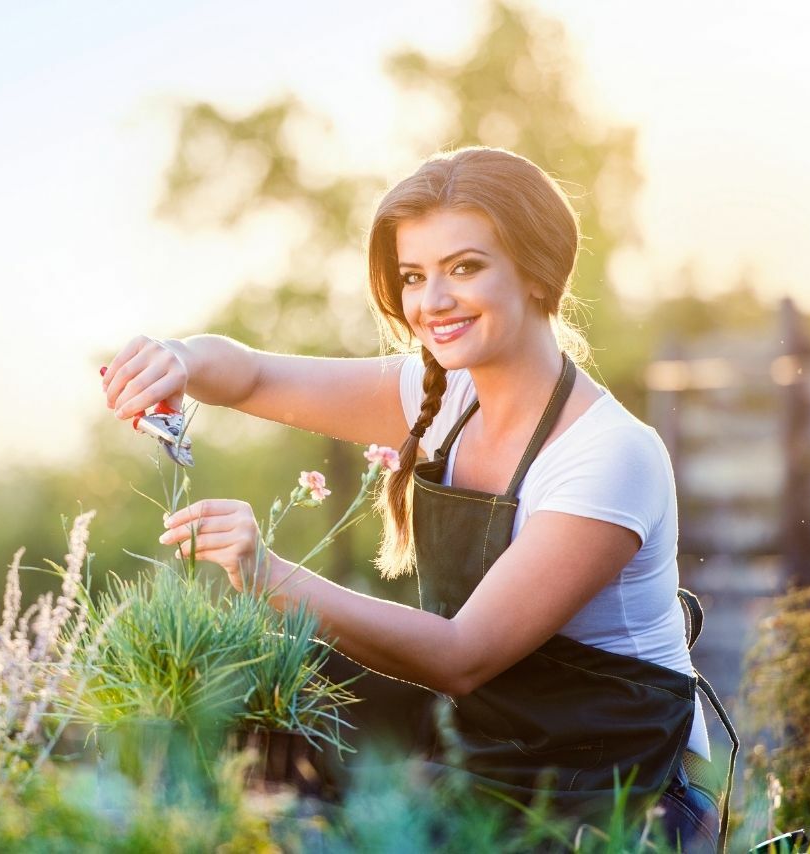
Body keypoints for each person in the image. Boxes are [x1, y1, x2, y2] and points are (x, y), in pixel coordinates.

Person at [101, 146, 737, 853]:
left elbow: (462, 655)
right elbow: (249, 378)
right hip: (483, 744)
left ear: (536, 270)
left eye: (465, 267)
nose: (431, 302)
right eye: (413, 276)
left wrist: (267, 574)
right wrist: (179, 359)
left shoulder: (609, 454)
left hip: (612, 794)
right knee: (252, 699)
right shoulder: (443, 400)